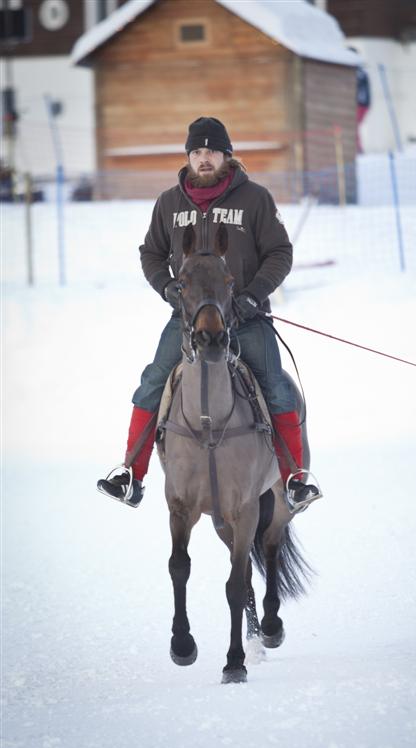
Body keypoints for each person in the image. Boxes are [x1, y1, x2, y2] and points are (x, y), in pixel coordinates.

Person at [97, 116, 321, 512]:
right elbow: (150, 253)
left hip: (246, 319)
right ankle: (131, 474)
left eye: (211, 151)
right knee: (152, 382)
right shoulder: (169, 203)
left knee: (277, 385)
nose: (204, 159)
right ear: (188, 156)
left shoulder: (255, 199)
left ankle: (294, 481)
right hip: (188, 322)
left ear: (226, 156)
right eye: (196, 152)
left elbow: (280, 253)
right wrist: (167, 287)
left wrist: (252, 296)